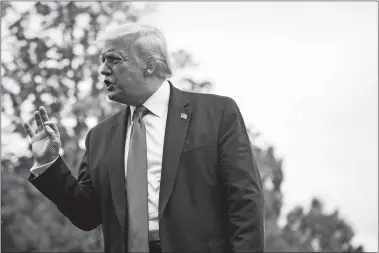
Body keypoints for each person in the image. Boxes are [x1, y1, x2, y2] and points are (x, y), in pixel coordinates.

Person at [24, 23, 264, 253]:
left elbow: (244, 201)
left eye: (114, 59)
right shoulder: (98, 137)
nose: (103, 70)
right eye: (103, 61)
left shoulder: (217, 113)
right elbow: (86, 215)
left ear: (149, 64)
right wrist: (50, 163)